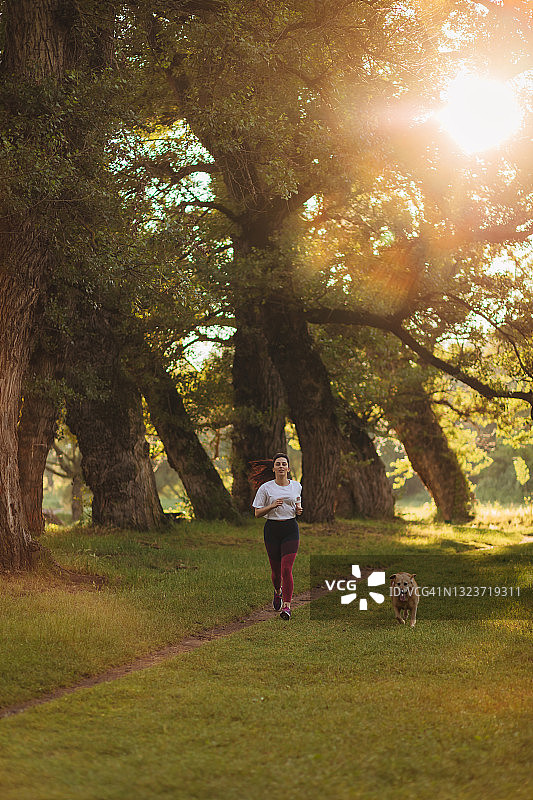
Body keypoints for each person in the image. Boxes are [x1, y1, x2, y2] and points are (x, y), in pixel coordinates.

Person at [249, 453, 303, 620]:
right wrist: (272, 506)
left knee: (287, 569)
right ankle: (278, 591)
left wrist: (299, 510)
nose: (281, 466)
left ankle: (287, 607)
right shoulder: (266, 488)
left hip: (290, 529)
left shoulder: (296, 486)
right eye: (278, 464)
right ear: (273, 469)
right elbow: (257, 513)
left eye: (283, 464)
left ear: (288, 468)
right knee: (276, 572)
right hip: (272, 530)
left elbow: (297, 505)